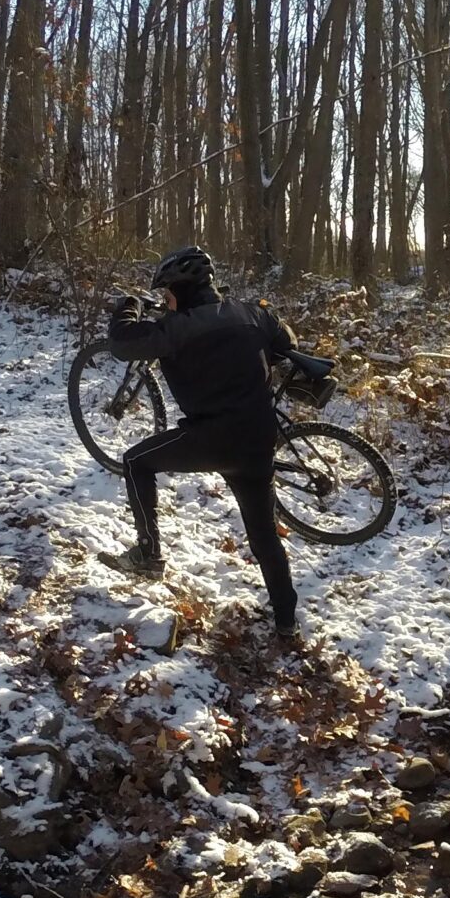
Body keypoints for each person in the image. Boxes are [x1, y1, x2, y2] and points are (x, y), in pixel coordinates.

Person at [100, 245, 299, 633]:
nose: (167, 302)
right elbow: (285, 341)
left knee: (135, 461)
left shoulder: (177, 329)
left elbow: (123, 343)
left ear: (182, 290)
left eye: (168, 295)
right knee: (264, 538)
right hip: (258, 440)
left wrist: (128, 305)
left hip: (211, 440)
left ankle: (148, 554)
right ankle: (286, 622)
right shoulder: (253, 313)